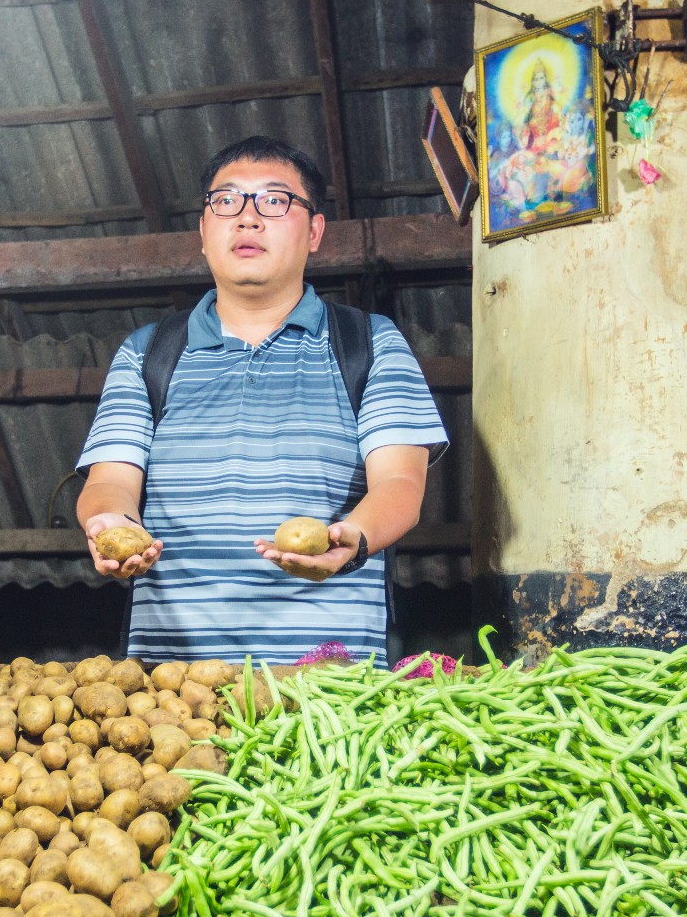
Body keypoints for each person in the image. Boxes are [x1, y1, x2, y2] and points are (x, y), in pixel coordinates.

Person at [74, 136, 447, 663]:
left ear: (314, 231)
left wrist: (354, 537)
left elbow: (402, 483)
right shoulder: (147, 353)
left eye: (275, 201)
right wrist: (110, 522)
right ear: (203, 232)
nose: (247, 219)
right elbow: (109, 481)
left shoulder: (369, 343)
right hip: (169, 693)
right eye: (226, 202)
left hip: (328, 682)